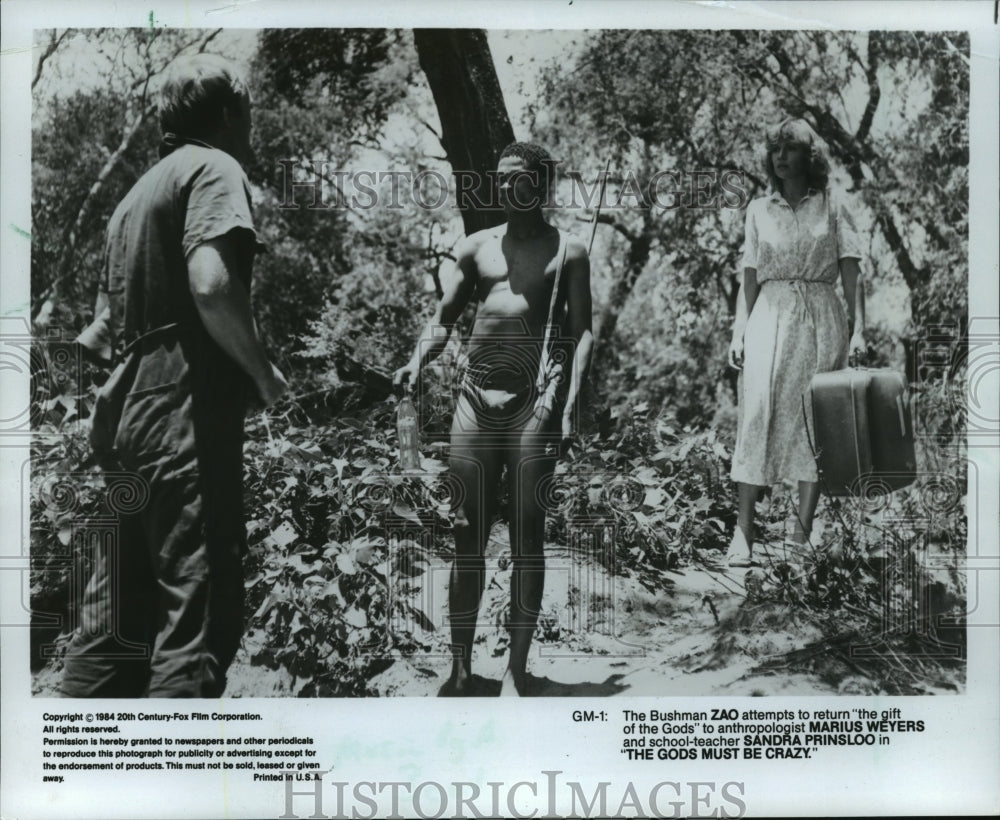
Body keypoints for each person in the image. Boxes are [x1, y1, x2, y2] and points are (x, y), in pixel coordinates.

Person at [61, 54, 287, 697]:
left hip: (125, 412)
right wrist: (264, 374)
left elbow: (99, 333)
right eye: (245, 114)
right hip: (184, 400)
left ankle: (79, 779)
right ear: (228, 114)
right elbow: (213, 286)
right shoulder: (216, 166)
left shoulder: (131, 199)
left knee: (114, 617)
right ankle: (175, 785)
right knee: (197, 606)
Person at [394, 142, 593, 696]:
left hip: (536, 404)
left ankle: (516, 667)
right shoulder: (475, 248)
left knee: (530, 538)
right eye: (500, 180)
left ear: (542, 185)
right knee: (466, 535)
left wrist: (569, 400)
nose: (506, 189)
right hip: (475, 403)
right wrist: (415, 360)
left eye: (518, 180)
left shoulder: (568, 252)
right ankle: (459, 666)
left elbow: (582, 333)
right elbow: (441, 320)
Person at [726, 118, 866, 567]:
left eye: (790, 148)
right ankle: (743, 532)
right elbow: (748, 275)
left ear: (811, 156)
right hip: (769, 313)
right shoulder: (758, 209)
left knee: (814, 420)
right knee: (757, 413)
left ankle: (801, 537)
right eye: (775, 149)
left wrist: (859, 329)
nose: (781, 157)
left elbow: (850, 270)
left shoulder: (832, 204)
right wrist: (738, 329)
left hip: (821, 316)